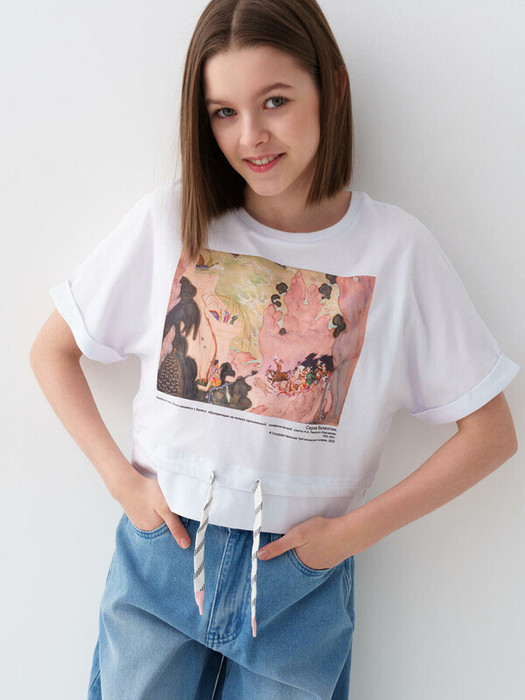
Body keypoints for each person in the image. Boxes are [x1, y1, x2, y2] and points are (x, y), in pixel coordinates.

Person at [30, 0, 519, 698]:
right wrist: (122, 483)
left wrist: (346, 537)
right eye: (223, 112)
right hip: (165, 551)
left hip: (297, 576)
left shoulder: (396, 250)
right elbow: (52, 351)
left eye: (275, 101)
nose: (250, 136)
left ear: (332, 88)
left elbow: (490, 434)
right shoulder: (173, 220)